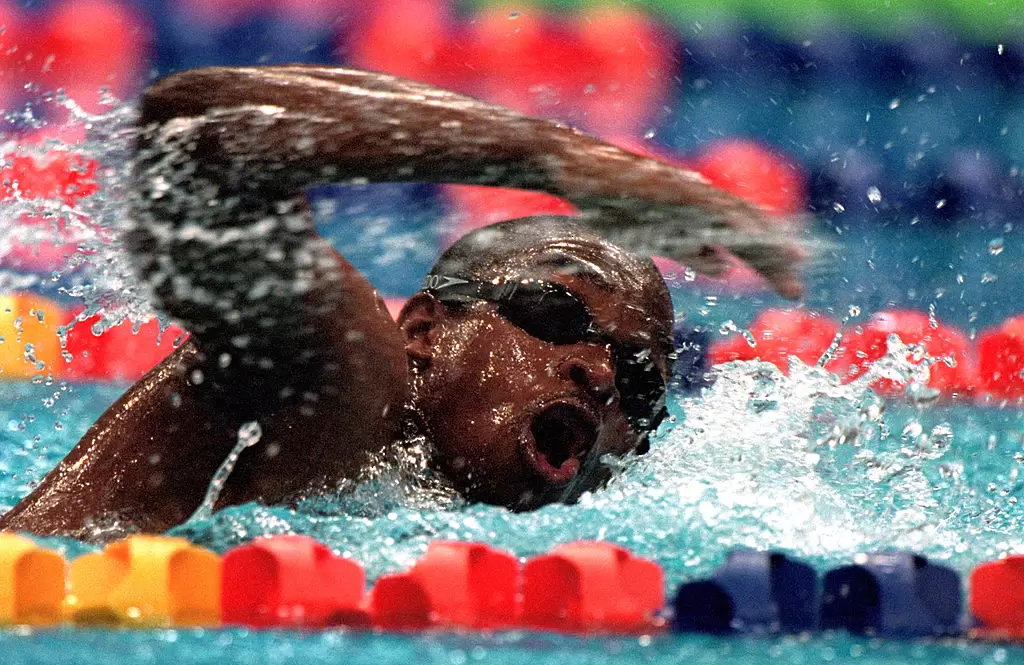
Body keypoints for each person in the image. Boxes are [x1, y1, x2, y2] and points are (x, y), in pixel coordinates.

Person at [0, 65, 805, 538]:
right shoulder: (357, 383)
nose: (598, 371)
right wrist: (549, 155)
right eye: (556, 316)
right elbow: (198, 132)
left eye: (640, 378)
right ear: (424, 329)